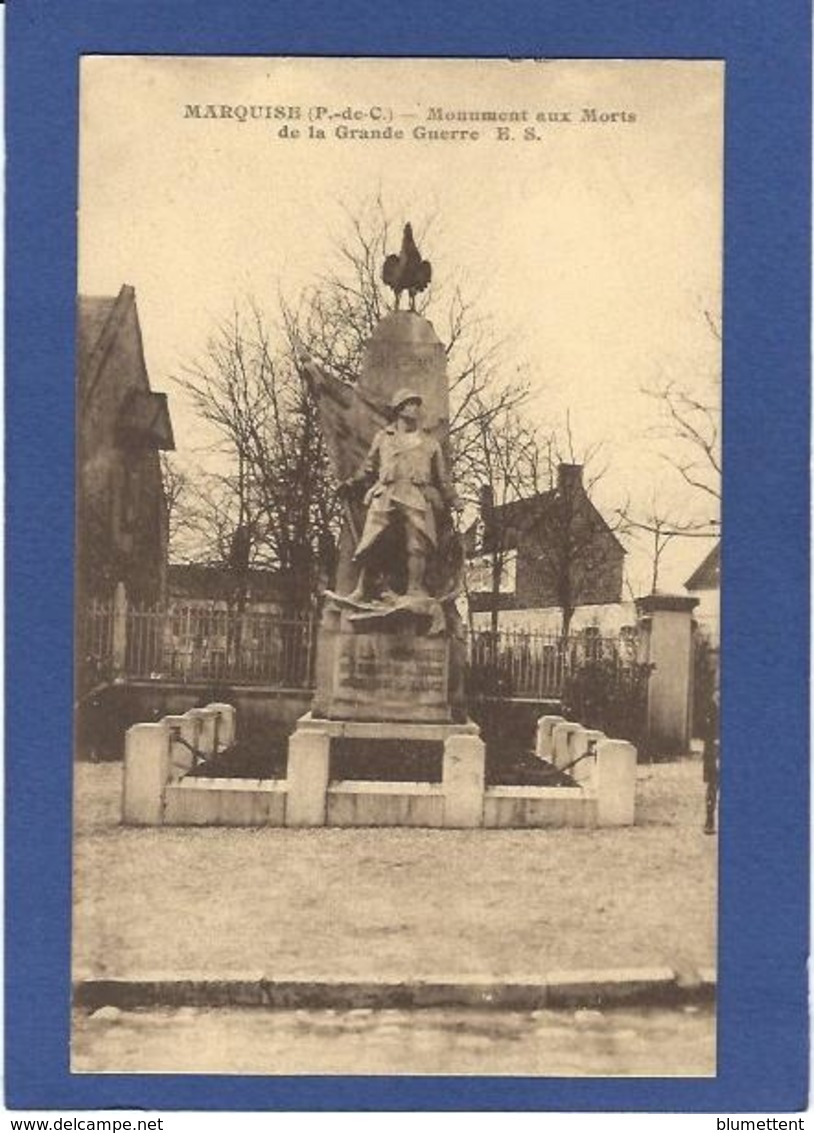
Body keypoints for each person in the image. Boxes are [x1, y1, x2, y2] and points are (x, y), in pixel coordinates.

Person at [343, 388, 460, 601]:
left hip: (415, 493)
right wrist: (351, 482)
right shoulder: (383, 438)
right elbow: (368, 467)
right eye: (409, 404)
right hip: (385, 491)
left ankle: (414, 589)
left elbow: (442, 479)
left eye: (416, 404)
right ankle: (361, 589)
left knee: (418, 542)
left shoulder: (430, 443)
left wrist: (454, 498)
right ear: (399, 409)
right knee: (371, 540)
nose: (414, 408)